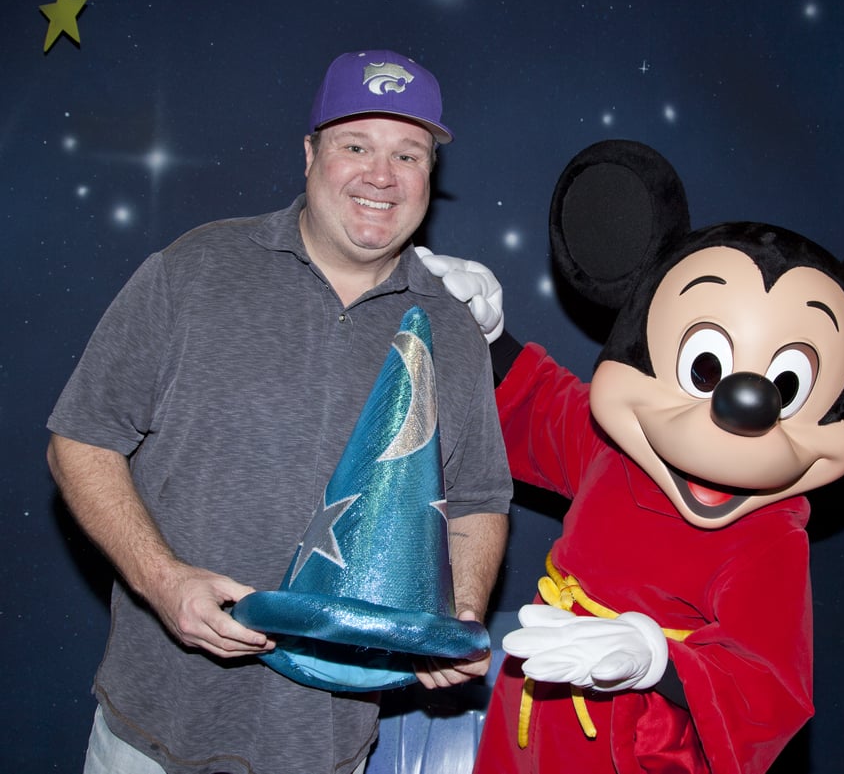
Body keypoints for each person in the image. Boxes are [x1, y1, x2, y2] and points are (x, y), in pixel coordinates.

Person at [46, 49, 512, 774]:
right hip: (150, 734)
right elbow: (79, 440)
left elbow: (480, 498)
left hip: (322, 748)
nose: (381, 176)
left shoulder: (451, 329)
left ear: (431, 175)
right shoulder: (193, 270)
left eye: (408, 154)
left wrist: (460, 614)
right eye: (356, 146)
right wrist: (164, 580)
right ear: (309, 154)